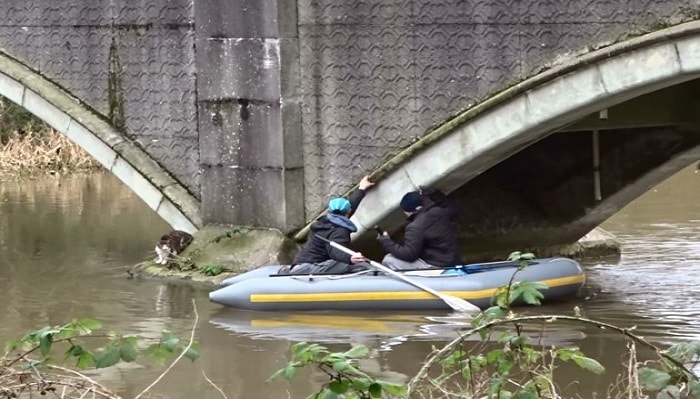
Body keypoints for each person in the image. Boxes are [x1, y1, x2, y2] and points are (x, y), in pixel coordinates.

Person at [279, 175, 375, 275]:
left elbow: (350, 205)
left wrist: (361, 188)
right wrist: (350, 258)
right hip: (311, 268)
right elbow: (335, 251)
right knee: (347, 265)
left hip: (301, 263)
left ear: (330, 210)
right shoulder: (340, 231)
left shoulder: (324, 221)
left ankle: (291, 270)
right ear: (348, 212)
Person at [377, 186, 462, 270]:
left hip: (436, 266)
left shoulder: (414, 227)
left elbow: (409, 255)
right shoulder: (439, 212)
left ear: (406, 211)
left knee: (388, 259)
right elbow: (453, 207)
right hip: (452, 260)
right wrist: (434, 193)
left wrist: (386, 241)